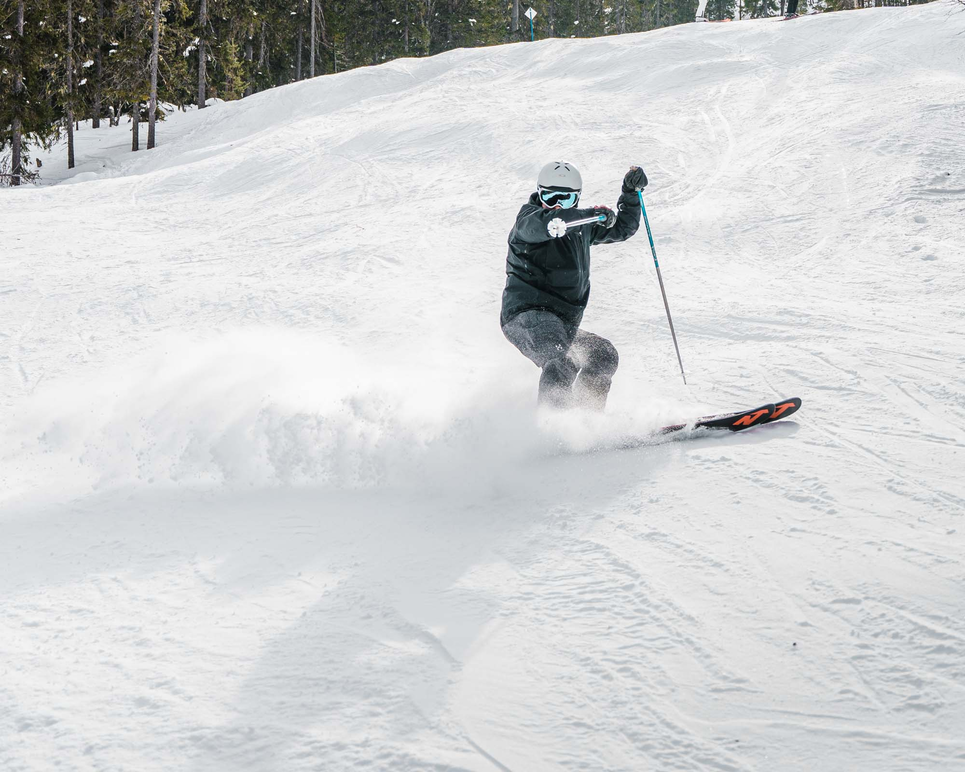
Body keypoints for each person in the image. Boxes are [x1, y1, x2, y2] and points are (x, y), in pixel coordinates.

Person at [501, 161, 647, 410]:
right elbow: (549, 223)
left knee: (603, 354)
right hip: (525, 316)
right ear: (539, 194)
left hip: (561, 323)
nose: (557, 204)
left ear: (576, 198)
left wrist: (631, 194)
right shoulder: (528, 222)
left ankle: (585, 421)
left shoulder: (581, 227)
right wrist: (591, 214)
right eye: (550, 197)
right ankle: (552, 424)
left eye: (566, 199)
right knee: (562, 360)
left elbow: (622, 228)